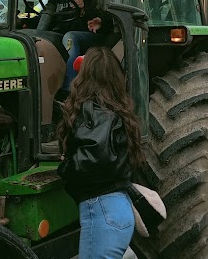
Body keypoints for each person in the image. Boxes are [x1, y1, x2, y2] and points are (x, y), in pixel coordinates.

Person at [58, 46, 144, 259]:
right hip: (119, 210)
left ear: (85, 76)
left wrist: (64, 166)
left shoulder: (93, 113)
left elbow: (95, 159)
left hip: (102, 213)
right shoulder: (120, 112)